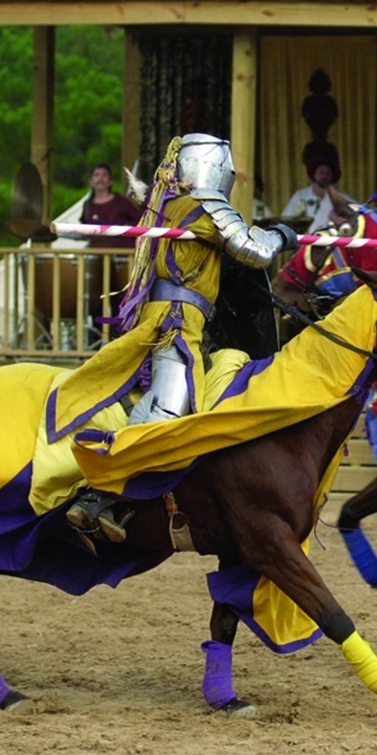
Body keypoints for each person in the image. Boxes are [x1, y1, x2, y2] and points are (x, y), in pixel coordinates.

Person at [64, 134, 297, 540]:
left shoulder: (165, 206)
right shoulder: (204, 205)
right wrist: (281, 235)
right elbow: (252, 250)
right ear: (217, 168)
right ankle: (96, 494)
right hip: (176, 323)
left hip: (170, 321)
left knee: (153, 406)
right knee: (170, 414)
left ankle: (116, 500)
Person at [280, 142, 352, 233]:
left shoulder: (342, 199)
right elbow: (285, 220)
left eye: (328, 173)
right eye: (321, 172)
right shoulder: (300, 196)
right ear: (314, 174)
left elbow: (356, 216)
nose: (324, 176)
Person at [80, 164, 142, 249]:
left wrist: (124, 229)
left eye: (104, 175)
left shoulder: (122, 202)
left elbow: (140, 220)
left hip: (122, 255)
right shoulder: (88, 205)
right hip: (96, 254)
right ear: (91, 181)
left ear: (110, 181)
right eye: (97, 175)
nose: (100, 179)